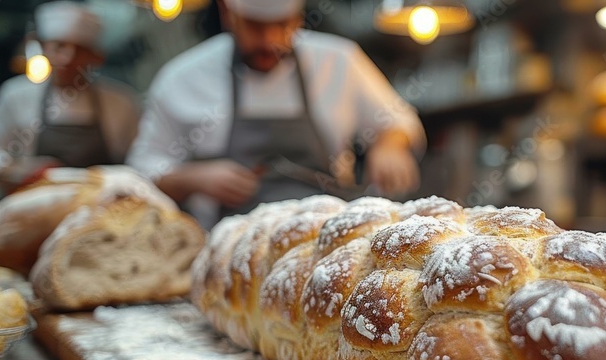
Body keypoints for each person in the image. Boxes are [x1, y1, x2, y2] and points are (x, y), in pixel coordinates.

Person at [125, 0, 425, 223]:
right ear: (228, 14)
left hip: (329, 241)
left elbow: (398, 119)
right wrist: (194, 178)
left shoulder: (339, 60)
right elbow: (142, 171)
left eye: (284, 25)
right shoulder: (183, 77)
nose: (270, 41)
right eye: (255, 26)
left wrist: (389, 145)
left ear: (299, 18)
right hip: (225, 248)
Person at [0, 1, 140, 194]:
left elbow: (139, 161)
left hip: (100, 207)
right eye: (59, 47)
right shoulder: (15, 95)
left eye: (79, 50)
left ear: (96, 57)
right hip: (33, 203)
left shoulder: (121, 102)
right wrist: (19, 170)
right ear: (43, 47)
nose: (67, 58)